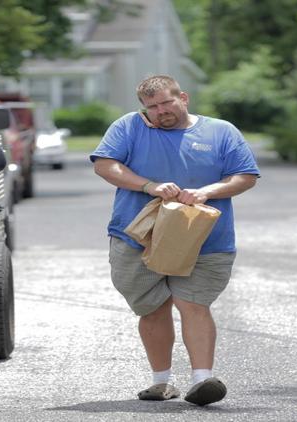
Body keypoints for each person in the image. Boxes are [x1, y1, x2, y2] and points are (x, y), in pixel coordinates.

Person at [90, 75, 259, 406]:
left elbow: (245, 176)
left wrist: (206, 192)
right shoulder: (128, 127)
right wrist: (148, 186)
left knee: (193, 304)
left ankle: (202, 379)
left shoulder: (221, 131)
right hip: (137, 237)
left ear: (183, 97)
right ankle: (161, 382)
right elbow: (106, 165)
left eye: (166, 102)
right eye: (151, 107)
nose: (160, 111)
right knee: (152, 307)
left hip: (204, 239)